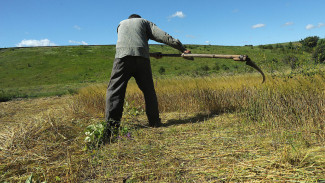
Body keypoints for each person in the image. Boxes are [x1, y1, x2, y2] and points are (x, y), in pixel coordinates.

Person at [105, 14, 190, 137]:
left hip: (122, 58)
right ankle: (154, 122)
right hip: (142, 60)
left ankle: (111, 129)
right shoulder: (144, 22)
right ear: (138, 18)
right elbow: (163, 36)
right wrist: (182, 48)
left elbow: (131, 45)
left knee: (114, 91)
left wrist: (150, 53)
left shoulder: (121, 24)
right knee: (149, 91)